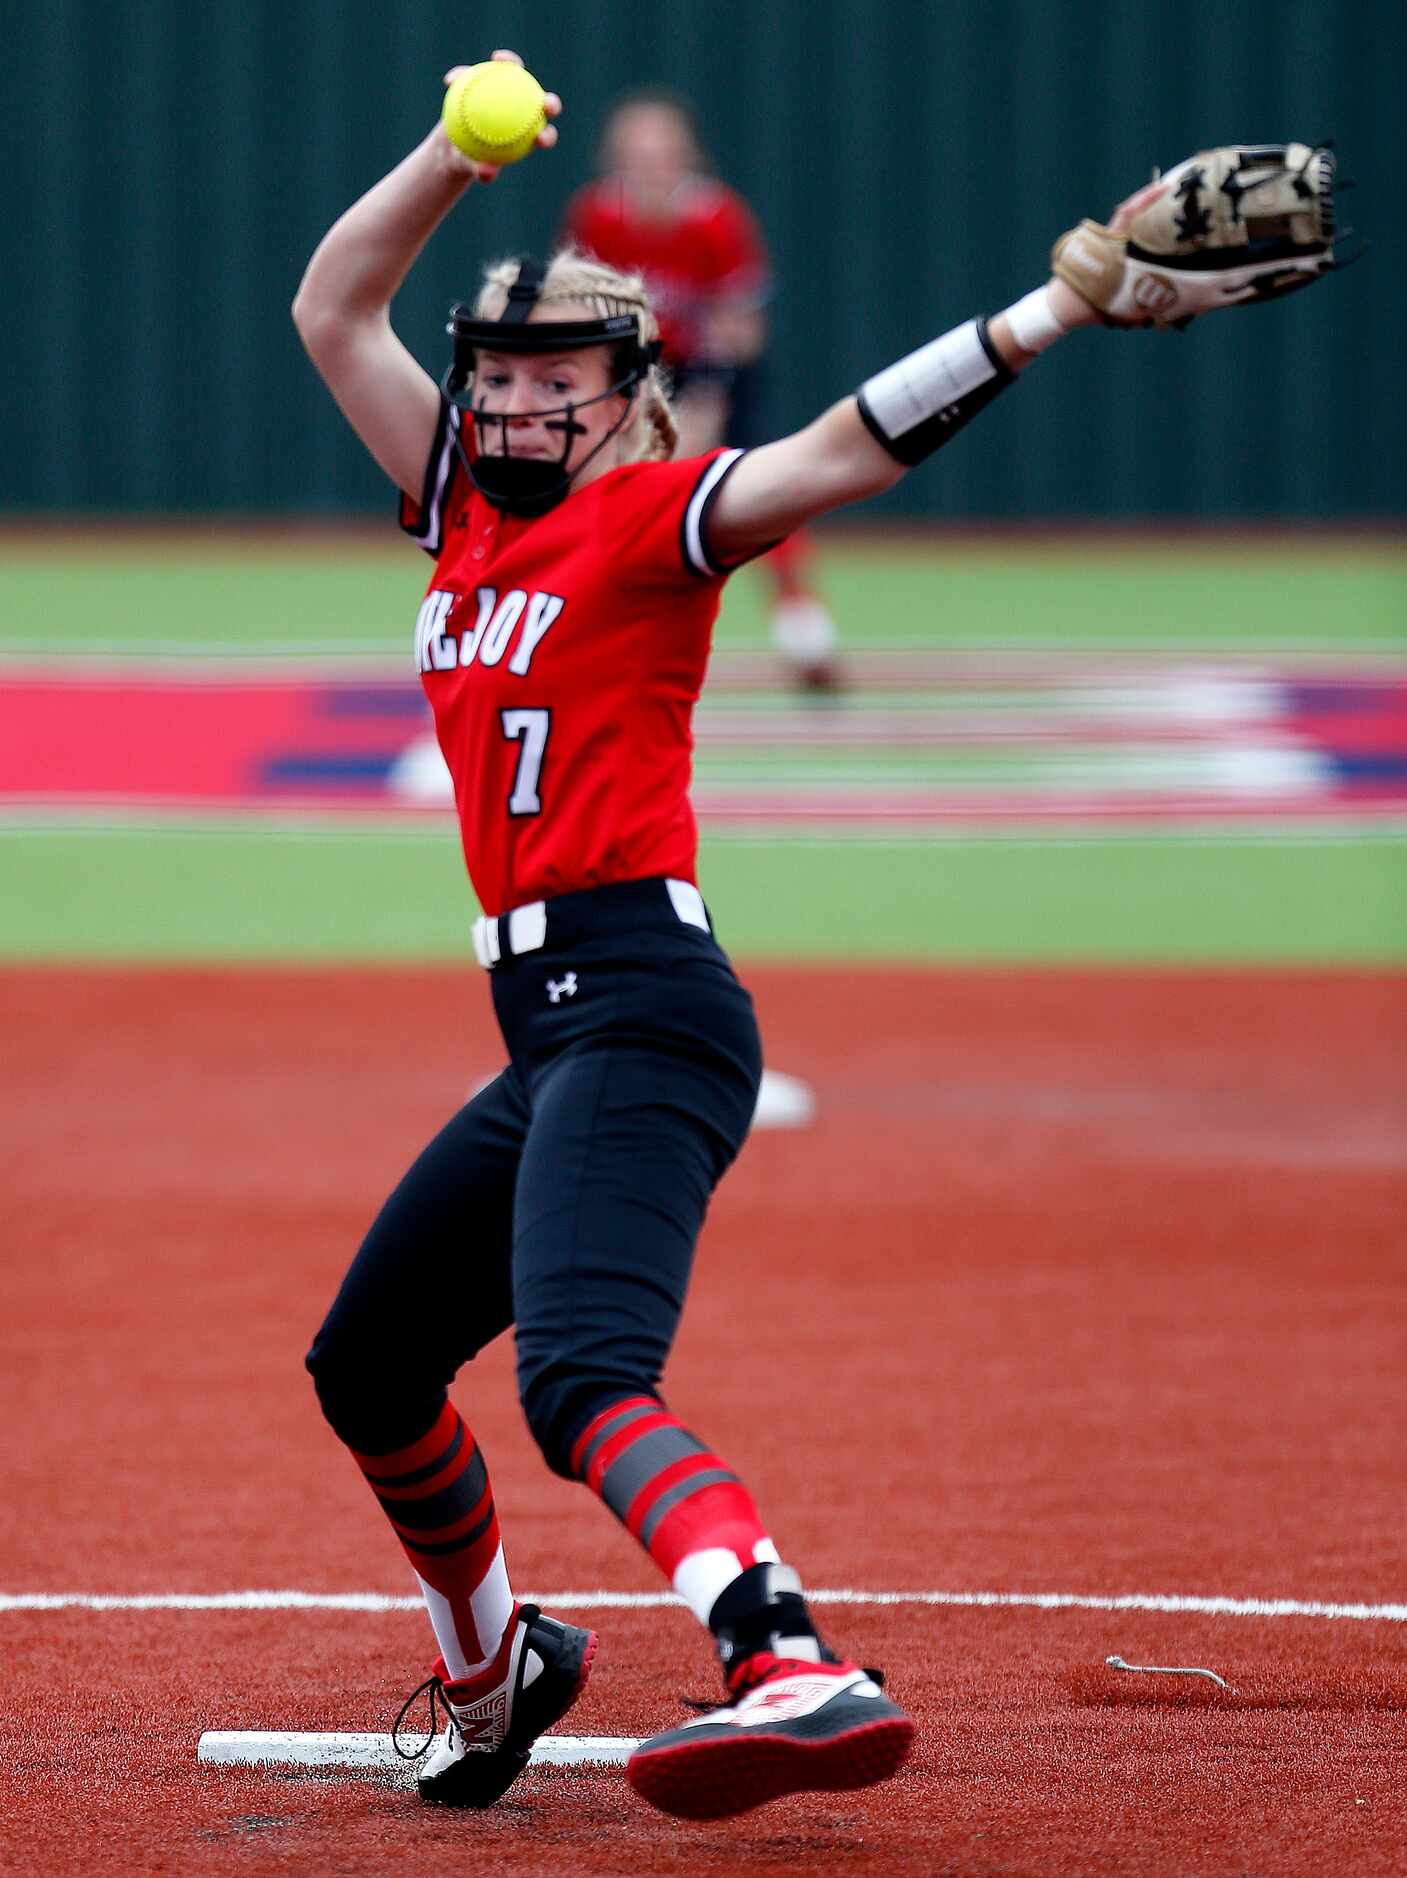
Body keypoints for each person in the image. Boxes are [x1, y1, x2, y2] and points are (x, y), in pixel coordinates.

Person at [293, 60, 1336, 1820]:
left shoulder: (652, 518)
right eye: (499, 377)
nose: (520, 402)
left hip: (641, 1003)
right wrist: (453, 158)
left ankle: (784, 1655)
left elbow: (852, 440)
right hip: (550, 1032)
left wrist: (1053, 305)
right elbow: (334, 304)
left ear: (631, 405)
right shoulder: (464, 515)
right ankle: (496, 1665)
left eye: (560, 380)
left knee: (580, 1377)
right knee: (371, 1363)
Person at [561, 87, 844, 691]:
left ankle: (804, 628)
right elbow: (582, 309)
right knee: (610, 498)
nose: (650, 166)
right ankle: (591, 628)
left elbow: (741, 325)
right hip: (634, 372)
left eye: (663, 152)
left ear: (686, 157)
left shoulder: (717, 218)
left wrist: (708, 398)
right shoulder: (598, 215)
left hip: (718, 373)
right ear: (616, 159)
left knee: (773, 490)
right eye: (636, 153)